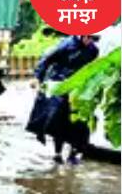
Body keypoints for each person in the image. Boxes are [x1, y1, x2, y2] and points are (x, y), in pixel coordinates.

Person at [32, 34, 99, 165]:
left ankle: (73, 153)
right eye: (88, 38)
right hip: (61, 85)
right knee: (58, 120)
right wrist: (37, 77)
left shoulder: (93, 50)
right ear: (82, 36)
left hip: (79, 89)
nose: (89, 41)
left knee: (79, 123)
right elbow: (46, 59)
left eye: (92, 39)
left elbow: (93, 69)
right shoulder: (66, 44)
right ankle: (57, 153)